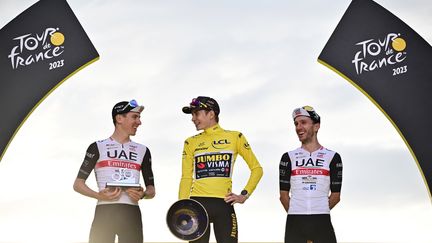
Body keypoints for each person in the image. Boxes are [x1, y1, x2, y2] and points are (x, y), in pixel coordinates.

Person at [179, 96, 263, 243]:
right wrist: (181, 207)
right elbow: (186, 177)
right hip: (197, 205)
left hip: (224, 205)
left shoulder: (235, 137)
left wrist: (244, 195)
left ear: (211, 114)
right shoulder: (190, 142)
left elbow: (257, 169)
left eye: (196, 113)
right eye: (192, 114)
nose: (193, 118)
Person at [73, 99, 155, 243]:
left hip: (131, 214)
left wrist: (142, 194)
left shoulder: (143, 150)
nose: (139, 122)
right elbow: (78, 184)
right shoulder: (97, 146)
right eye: (135, 117)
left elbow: (152, 191)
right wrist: (98, 195)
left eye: (139, 118)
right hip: (104, 212)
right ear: (119, 118)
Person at [279, 106, 343, 243]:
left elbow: (336, 196)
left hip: (322, 221)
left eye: (303, 122)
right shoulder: (288, 157)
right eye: (296, 124)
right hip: (295, 222)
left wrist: (318, 209)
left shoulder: (332, 157)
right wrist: (299, 211)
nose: (298, 127)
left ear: (316, 126)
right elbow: (283, 196)